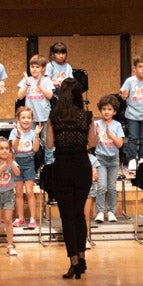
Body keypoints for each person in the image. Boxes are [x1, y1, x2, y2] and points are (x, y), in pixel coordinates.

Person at [47, 78, 98, 274]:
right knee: (79, 214)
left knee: (67, 217)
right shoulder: (87, 116)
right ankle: (83, 258)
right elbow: (92, 142)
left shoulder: (54, 117)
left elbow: (50, 144)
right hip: (82, 166)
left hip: (62, 167)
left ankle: (74, 262)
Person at [92, 94, 125, 222]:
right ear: (100, 110)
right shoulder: (96, 124)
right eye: (104, 109)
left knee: (111, 187)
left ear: (114, 111)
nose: (106, 111)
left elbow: (120, 144)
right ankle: (100, 211)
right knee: (101, 186)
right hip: (100, 158)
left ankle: (111, 211)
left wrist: (110, 135)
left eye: (109, 109)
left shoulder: (116, 125)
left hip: (113, 159)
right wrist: (97, 134)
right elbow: (92, 144)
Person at [19, 55, 55, 164]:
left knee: (46, 140)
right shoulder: (27, 80)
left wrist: (40, 86)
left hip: (44, 116)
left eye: (37, 67)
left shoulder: (47, 80)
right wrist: (26, 85)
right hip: (30, 118)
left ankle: (48, 163)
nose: (34, 69)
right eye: (32, 67)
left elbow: (50, 96)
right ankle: (32, 163)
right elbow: (20, 96)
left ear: (43, 68)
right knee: (31, 140)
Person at [8, 106, 40, 229]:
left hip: (29, 163)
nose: (26, 120)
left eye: (28, 118)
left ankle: (32, 218)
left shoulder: (33, 133)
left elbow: (35, 149)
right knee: (19, 193)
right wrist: (19, 135)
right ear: (18, 119)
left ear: (32, 119)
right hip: (16, 163)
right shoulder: (14, 132)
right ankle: (20, 218)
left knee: (30, 192)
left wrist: (37, 135)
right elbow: (13, 148)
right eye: (23, 118)